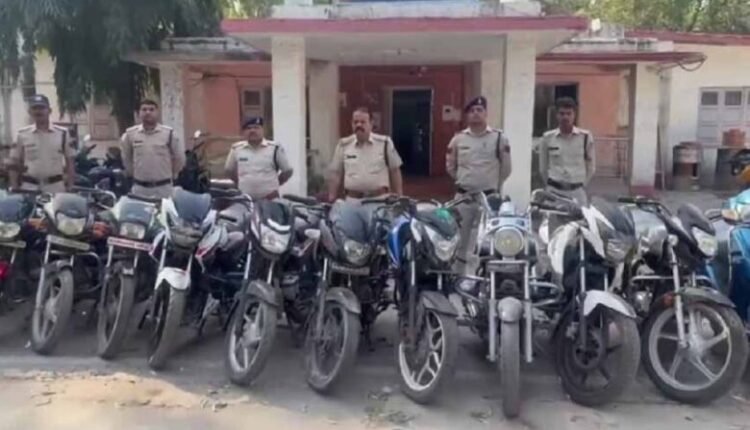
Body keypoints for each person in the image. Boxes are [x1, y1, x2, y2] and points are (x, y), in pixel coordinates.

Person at [446, 95, 512, 276]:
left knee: (487, 241)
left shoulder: (499, 138)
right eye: (472, 111)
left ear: (486, 113)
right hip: (464, 198)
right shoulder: (458, 139)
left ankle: (485, 278)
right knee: (459, 240)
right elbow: (451, 167)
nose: (476, 113)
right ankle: (457, 277)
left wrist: (492, 185)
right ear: (467, 115)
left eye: (479, 110)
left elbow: (506, 168)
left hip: (489, 199)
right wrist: (465, 181)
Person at [328, 107, 404, 202]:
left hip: (378, 201)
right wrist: (332, 196)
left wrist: (399, 196)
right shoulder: (343, 145)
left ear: (371, 124)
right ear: (352, 124)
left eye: (363, 122)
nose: (358, 125)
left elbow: (395, 170)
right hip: (352, 202)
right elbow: (336, 173)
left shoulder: (384, 143)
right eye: (355, 122)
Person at [8, 94, 75, 193]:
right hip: (29, 188)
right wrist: (14, 187)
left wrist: (70, 185)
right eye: (35, 108)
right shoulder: (21, 134)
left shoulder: (63, 133)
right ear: (30, 112)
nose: (38, 111)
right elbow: (14, 162)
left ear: (49, 111)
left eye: (42, 108)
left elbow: (70, 162)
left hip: (55, 188)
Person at [120, 99, 186, 199]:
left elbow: (179, 158)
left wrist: (171, 174)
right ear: (139, 113)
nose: (148, 112)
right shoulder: (130, 134)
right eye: (144, 109)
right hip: (140, 188)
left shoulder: (168, 133)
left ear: (157, 112)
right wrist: (135, 174)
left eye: (151, 109)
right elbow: (126, 158)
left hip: (164, 189)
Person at [538, 97, 595, 205]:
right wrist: (551, 185)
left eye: (569, 114)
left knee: (580, 216)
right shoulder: (547, 138)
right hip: (554, 191)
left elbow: (591, 167)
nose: (565, 117)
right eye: (562, 113)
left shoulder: (585, 137)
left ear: (574, 115)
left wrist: (582, 185)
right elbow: (543, 168)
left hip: (577, 192)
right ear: (557, 115)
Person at [224, 117, 293, 200]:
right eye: (248, 128)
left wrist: (276, 184)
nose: (252, 131)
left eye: (256, 128)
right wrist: (241, 183)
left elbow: (287, 171)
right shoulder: (237, 149)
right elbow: (228, 170)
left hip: (270, 198)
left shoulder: (274, 148)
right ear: (243, 132)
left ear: (263, 130)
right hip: (245, 198)